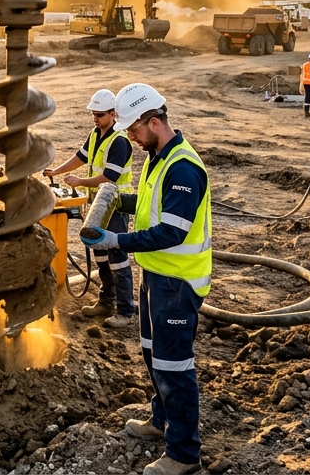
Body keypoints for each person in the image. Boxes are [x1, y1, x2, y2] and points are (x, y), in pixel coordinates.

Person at [80, 83, 211, 475]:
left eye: (134, 131)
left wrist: (116, 238)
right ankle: (161, 420)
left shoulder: (183, 167)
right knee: (153, 355)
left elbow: (172, 231)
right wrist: (122, 199)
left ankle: (184, 455)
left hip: (177, 283)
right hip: (155, 276)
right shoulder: (159, 157)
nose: (131, 140)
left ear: (153, 122)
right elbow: (155, 208)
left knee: (174, 366)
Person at [43, 88, 135, 327]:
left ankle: (125, 311)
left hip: (115, 205)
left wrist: (79, 182)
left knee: (118, 258)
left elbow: (110, 177)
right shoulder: (96, 133)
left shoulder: (120, 141)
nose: (95, 118)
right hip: (97, 205)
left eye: (100, 114)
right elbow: (80, 157)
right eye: (93, 114)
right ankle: (106, 302)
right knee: (101, 256)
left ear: (113, 114)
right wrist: (57, 171)